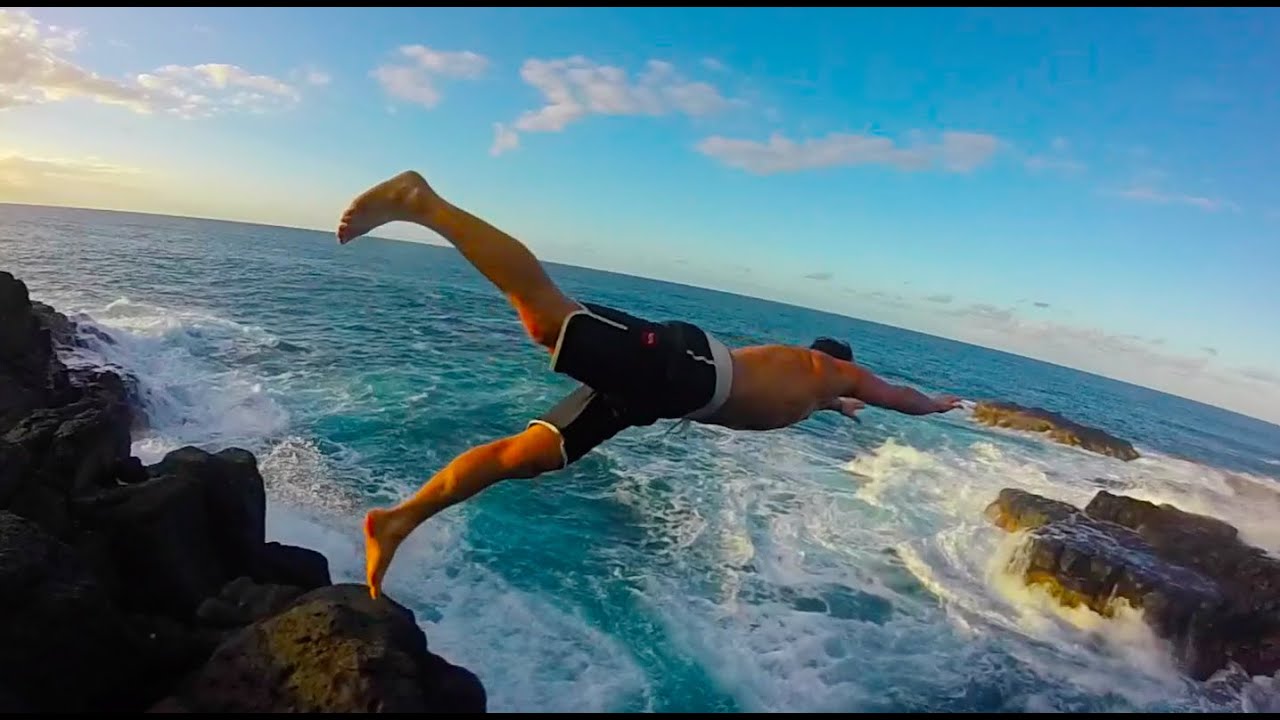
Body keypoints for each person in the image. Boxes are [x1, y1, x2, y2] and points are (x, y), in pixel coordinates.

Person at [335, 170, 963, 599]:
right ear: (830, 361)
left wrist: (841, 407)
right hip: (683, 368)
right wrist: (933, 404)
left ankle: (396, 522)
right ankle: (423, 202)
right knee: (546, 317)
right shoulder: (824, 368)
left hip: (660, 394)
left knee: (528, 457)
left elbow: (833, 402)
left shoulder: (817, 394)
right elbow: (892, 396)